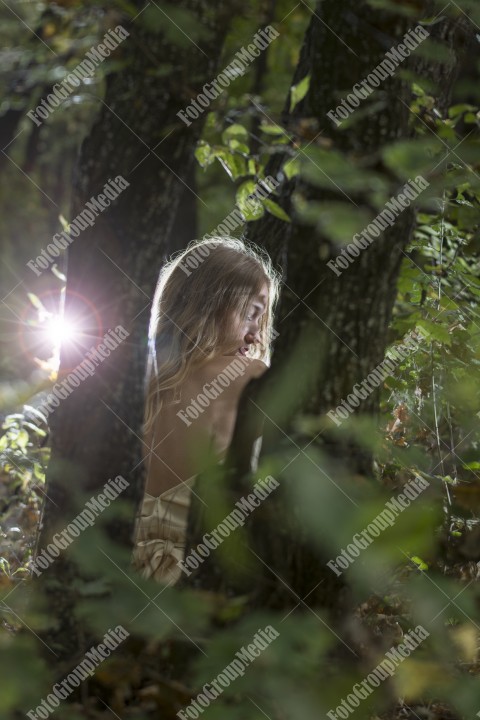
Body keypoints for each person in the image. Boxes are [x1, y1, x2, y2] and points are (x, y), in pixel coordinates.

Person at [132, 236, 280, 584]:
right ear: (210, 304)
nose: (257, 335)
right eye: (252, 314)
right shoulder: (251, 379)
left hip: (120, 571)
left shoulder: (128, 379)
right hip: (199, 578)